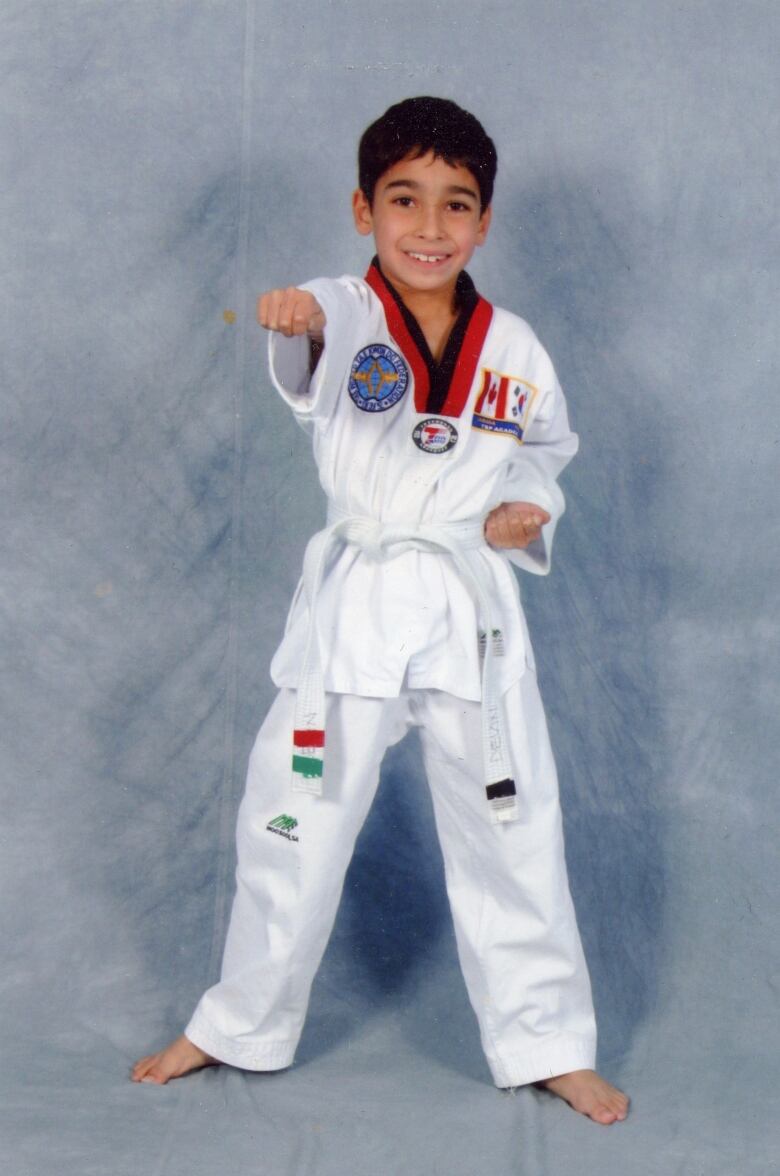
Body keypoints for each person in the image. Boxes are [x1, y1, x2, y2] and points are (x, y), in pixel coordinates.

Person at [132, 97, 629, 1126]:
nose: (431, 227)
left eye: (457, 205)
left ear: (485, 222)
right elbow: (308, 366)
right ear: (364, 208)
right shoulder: (340, 309)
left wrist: (521, 506)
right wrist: (295, 325)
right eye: (405, 200)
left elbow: (543, 448)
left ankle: (546, 1040)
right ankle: (237, 1024)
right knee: (292, 822)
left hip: (467, 608)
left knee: (512, 826)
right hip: (356, 610)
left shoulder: (517, 346)